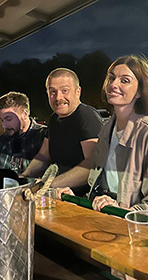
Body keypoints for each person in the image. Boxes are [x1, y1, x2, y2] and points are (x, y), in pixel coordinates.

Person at [87, 55, 148, 221]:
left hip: (137, 233)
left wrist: (119, 211)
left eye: (124, 80)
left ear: (140, 91)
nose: (113, 84)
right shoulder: (106, 130)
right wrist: (77, 198)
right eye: (111, 78)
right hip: (106, 222)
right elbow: (100, 189)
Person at [22, 68, 102, 196]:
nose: (58, 97)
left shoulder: (86, 116)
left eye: (65, 91)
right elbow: (43, 155)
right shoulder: (54, 119)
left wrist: (50, 184)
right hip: (58, 194)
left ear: (77, 92)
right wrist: (22, 179)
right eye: (53, 92)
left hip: (81, 199)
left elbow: (93, 165)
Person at [0, 91, 47, 175]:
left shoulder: (43, 136)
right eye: (2, 120)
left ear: (25, 114)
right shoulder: (5, 139)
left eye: (8, 119)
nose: (4, 125)